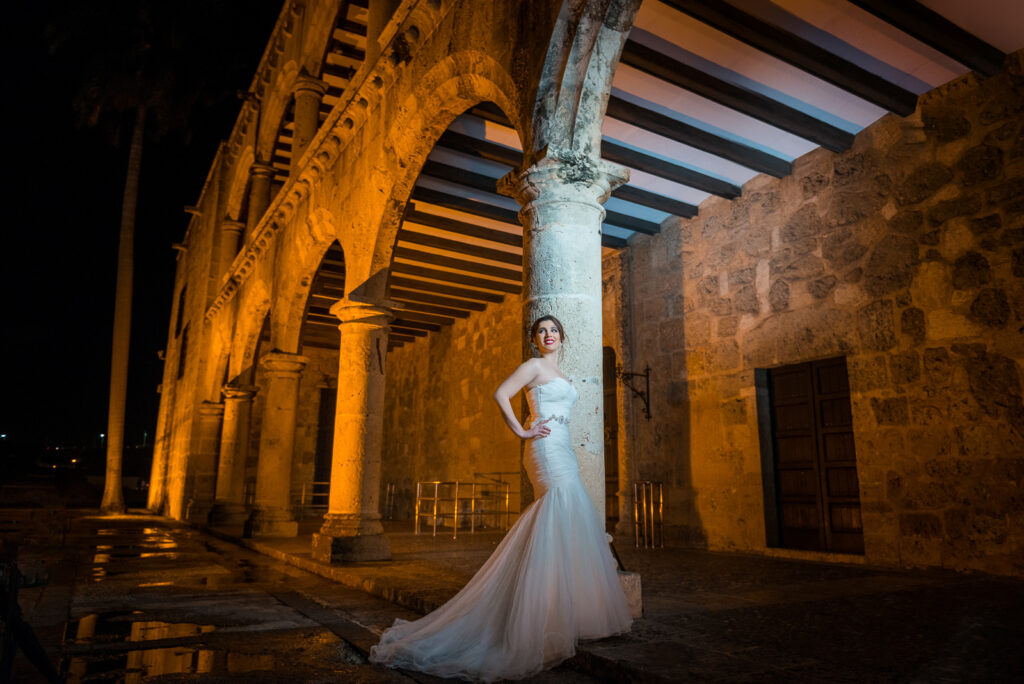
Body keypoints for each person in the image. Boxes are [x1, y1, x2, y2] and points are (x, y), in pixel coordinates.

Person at [370, 315, 632, 681]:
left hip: (565, 448)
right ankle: (533, 616)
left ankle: (560, 612)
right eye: (542, 331)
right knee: (555, 509)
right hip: (544, 448)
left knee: (570, 515)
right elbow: (500, 394)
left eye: (554, 330)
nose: (548, 335)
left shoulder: (563, 374)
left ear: (562, 337)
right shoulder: (533, 366)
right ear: (535, 338)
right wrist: (523, 431)